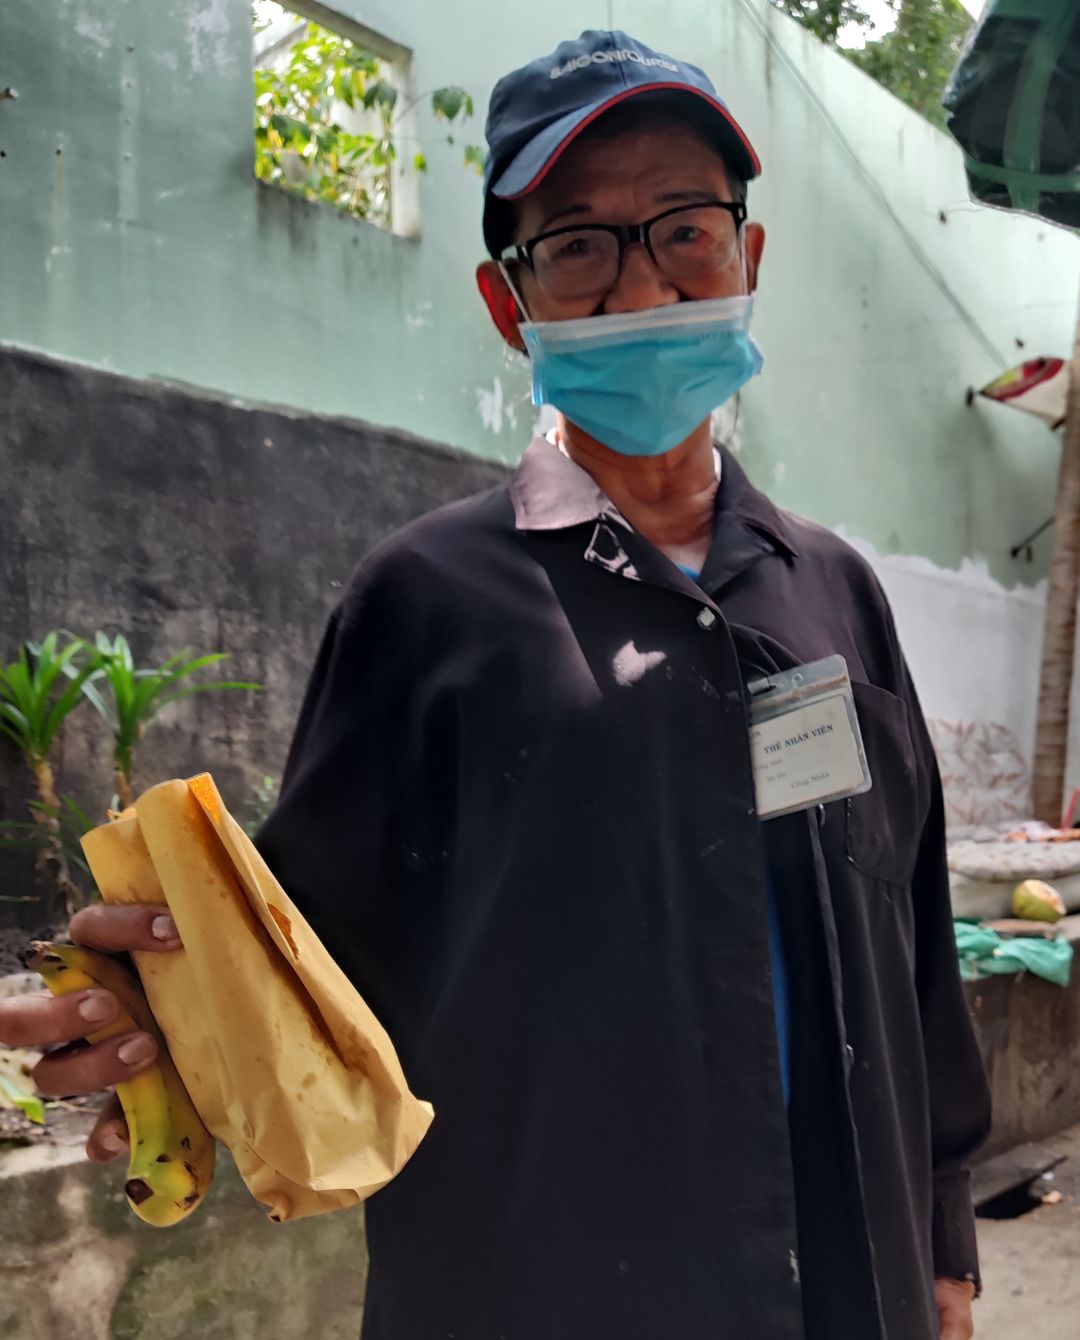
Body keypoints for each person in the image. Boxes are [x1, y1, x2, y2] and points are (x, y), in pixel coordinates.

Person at [1, 30, 989, 1340]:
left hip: (851, 1280)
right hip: (539, 1290)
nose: (641, 287)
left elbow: (911, 930)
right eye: (578, 246)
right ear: (506, 301)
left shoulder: (836, 592)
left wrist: (943, 1236)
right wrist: (160, 1009)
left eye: (685, 230)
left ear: (747, 256)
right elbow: (308, 960)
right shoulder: (425, 601)